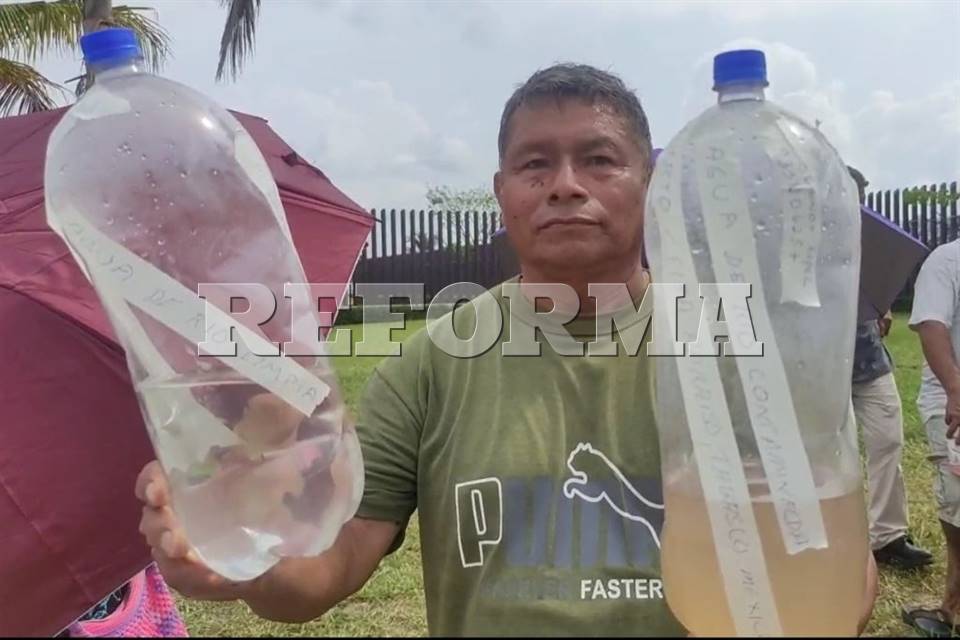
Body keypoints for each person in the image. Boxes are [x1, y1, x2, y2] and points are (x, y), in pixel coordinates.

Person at [135, 64, 878, 636]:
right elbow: (330, 567)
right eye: (535, 165)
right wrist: (245, 556)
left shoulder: (730, 348)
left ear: (649, 182)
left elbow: (835, 572)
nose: (564, 187)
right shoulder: (431, 364)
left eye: (599, 160)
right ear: (501, 191)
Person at [846, 166, 933, 570]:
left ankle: (888, 536)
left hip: (871, 362)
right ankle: (834, 535)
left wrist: (879, 311)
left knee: (888, 441)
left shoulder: (867, 246)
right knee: (833, 455)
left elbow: (873, 293)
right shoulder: (799, 246)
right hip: (824, 372)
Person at [903, 238, 960, 637]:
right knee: (957, 507)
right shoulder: (946, 261)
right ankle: (950, 608)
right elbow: (931, 325)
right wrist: (957, 390)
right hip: (951, 400)